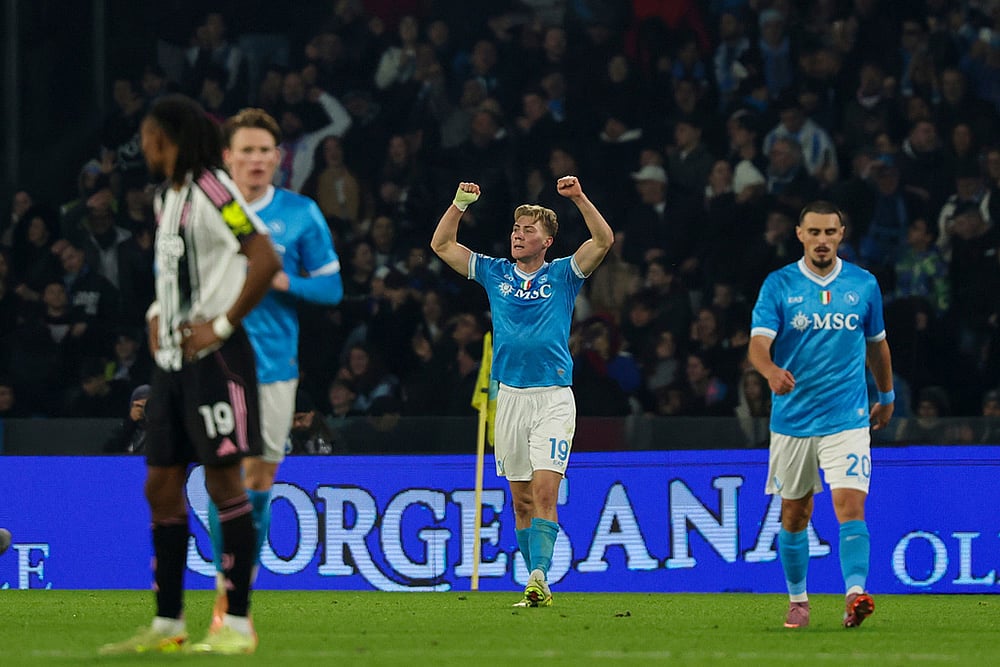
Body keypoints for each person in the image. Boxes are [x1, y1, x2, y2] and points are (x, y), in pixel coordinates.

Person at [99, 94, 280, 656]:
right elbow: (175, 274)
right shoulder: (168, 196)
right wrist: (158, 314)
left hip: (216, 362)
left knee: (225, 483)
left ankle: (239, 625)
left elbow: (264, 256)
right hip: (173, 366)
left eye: (152, 136)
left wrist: (221, 325)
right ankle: (167, 621)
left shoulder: (214, 190)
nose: (146, 147)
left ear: (169, 138)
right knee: (160, 485)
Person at [430, 175, 613, 607]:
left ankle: (537, 576)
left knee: (546, 492)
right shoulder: (494, 272)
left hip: (552, 397)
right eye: (516, 229)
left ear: (547, 241)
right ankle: (537, 584)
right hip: (508, 397)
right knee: (521, 501)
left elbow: (603, 240)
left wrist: (580, 198)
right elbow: (441, 246)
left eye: (529, 230)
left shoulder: (564, 274)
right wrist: (458, 204)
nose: (518, 235)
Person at [205, 107, 343, 626]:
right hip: (214, 362)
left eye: (266, 150)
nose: (257, 159)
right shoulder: (207, 209)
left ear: (278, 157)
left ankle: (238, 582)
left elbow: (331, 288)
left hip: (275, 368)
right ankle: (227, 590)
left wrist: (285, 282)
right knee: (224, 476)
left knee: (258, 476)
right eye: (247, 150)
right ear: (228, 156)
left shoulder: (301, 213)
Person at [748, 200, 894, 630]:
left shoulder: (863, 285)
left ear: (841, 235)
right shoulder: (779, 284)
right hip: (793, 420)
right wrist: (771, 370)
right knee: (796, 514)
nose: (823, 241)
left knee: (850, 504)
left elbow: (877, 344)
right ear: (800, 235)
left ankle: (854, 595)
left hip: (847, 417)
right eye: (814, 232)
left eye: (830, 233)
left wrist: (885, 394)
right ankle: (798, 600)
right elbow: (758, 342)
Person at [103, 383, 151, 454]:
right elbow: (109, 452)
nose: (146, 408)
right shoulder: (125, 428)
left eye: (150, 404)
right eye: (141, 405)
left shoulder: (166, 429)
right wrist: (131, 422)